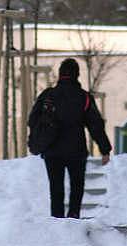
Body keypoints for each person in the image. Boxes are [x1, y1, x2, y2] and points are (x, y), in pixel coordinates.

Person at [28, 58, 112, 218]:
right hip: (76, 151)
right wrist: (105, 149)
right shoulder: (84, 97)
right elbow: (95, 125)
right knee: (77, 186)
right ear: (77, 75)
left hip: (52, 151)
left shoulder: (48, 95)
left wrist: (40, 137)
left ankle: (57, 220)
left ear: (60, 74)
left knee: (56, 188)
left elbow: (32, 119)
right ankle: (74, 217)